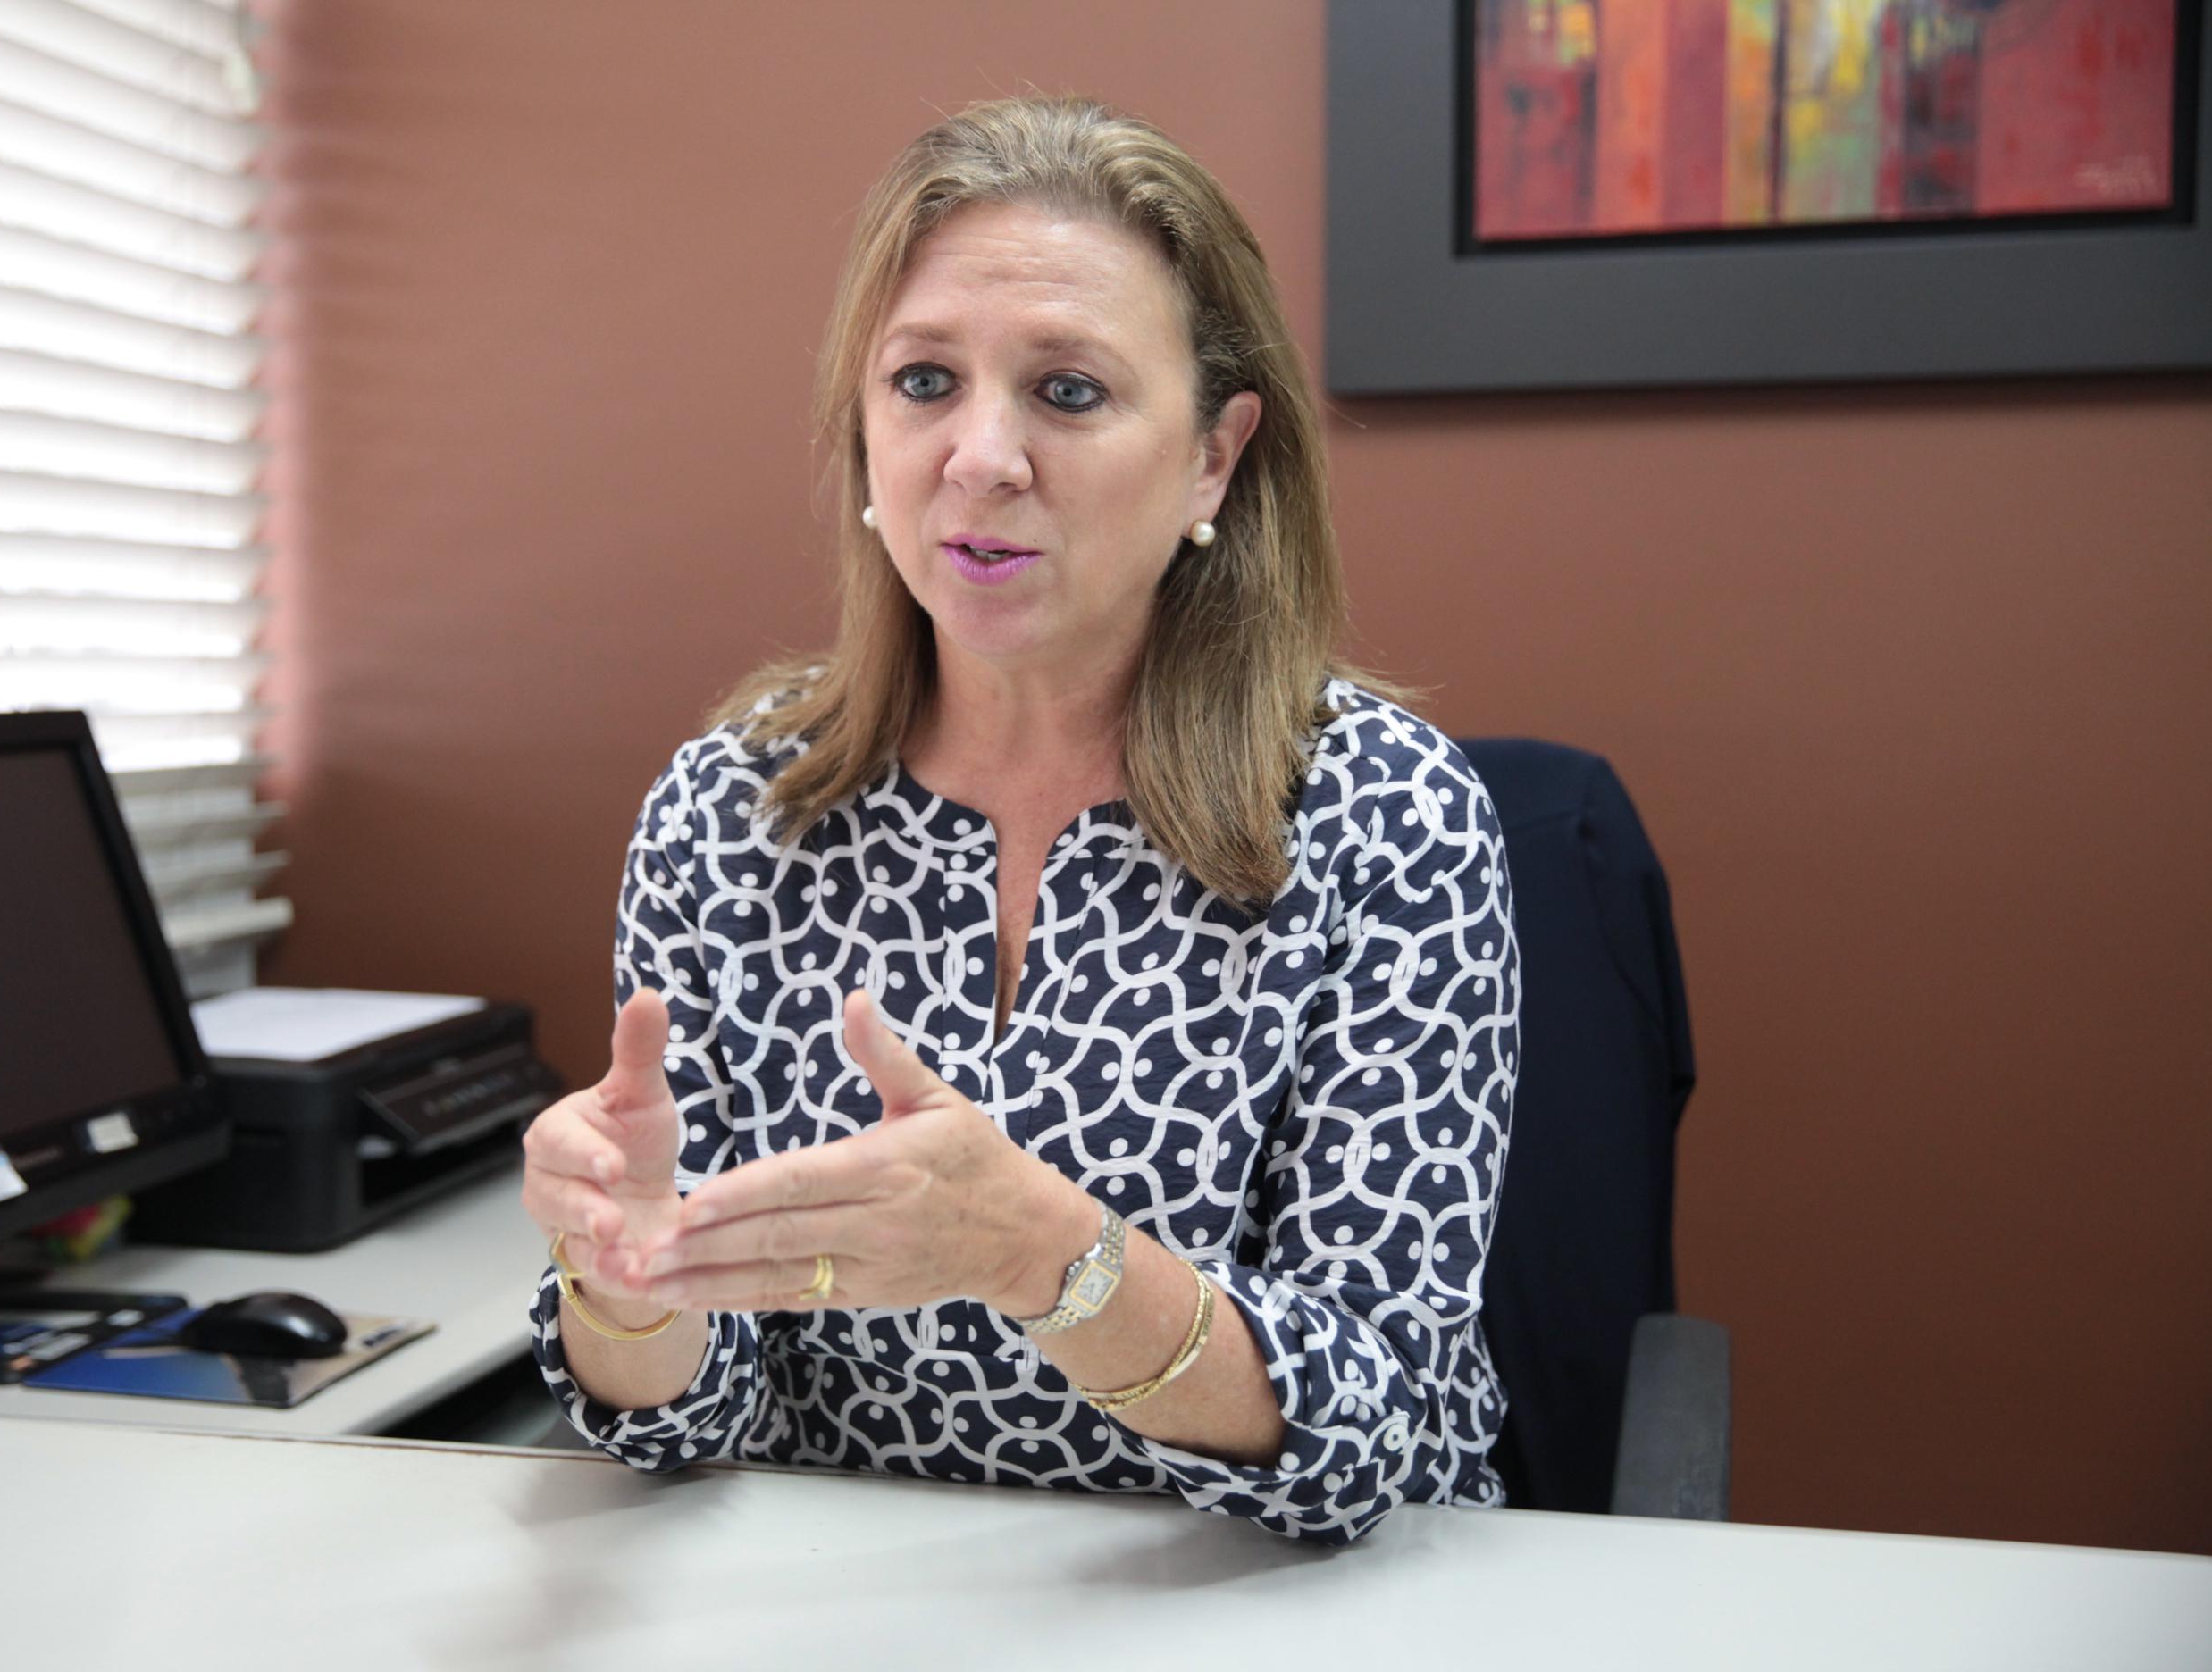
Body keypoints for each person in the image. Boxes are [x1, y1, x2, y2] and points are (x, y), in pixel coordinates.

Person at [521, 95, 1519, 1545]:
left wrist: (1048, 1256)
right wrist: (621, 1272)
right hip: (855, 1612)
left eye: (1067, 392)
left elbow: (1389, 1423)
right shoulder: (733, 811)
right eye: (925, 382)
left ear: (1214, 460)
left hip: (1255, 1606)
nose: (979, 457)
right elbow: (693, 1419)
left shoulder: (1384, 818)